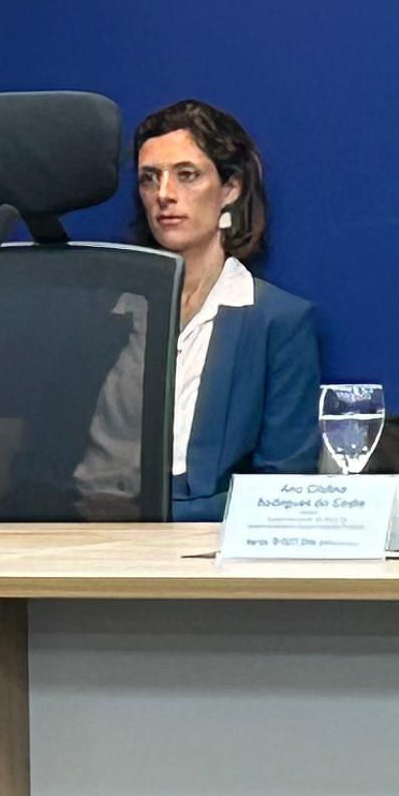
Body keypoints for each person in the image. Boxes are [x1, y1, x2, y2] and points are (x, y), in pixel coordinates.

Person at [127, 98, 317, 522]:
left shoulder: (277, 321)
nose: (164, 195)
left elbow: (284, 487)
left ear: (230, 189)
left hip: (211, 546)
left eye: (186, 175)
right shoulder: (113, 313)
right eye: (149, 178)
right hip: (91, 535)